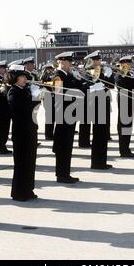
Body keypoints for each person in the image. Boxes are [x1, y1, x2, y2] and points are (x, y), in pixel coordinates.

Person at [7, 65, 40, 201]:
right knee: (21, 163)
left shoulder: (25, 90)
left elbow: (35, 109)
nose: (25, 79)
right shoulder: (13, 92)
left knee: (30, 162)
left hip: (31, 129)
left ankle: (28, 189)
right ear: (15, 78)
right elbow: (22, 110)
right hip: (20, 132)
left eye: (25, 76)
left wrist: (36, 97)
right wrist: (33, 98)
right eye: (22, 76)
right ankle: (19, 192)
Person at [52, 51, 84, 183]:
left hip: (69, 113)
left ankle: (65, 173)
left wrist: (79, 79)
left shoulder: (68, 75)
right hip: (63, 114)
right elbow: (59, 94)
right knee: (63, 145)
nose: (71, 65)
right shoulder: (58, 76)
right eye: (69, 62)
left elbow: (78, 87)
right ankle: (61, 174)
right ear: (62, 62)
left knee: (67, 145)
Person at [85, 51, 114, 170]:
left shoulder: (101, 70)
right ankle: (96, 162)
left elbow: (111, 85)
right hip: (95, 105)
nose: (99, 62)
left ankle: (102, 161)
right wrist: (96, 86)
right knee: (98, 135)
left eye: (99, 60)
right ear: (91, 61)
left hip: (104, 104)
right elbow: (86, 86)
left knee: (103, 135)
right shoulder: (87, 71)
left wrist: (109, 75)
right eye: (97, 60)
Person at [116, 56, 134, 158]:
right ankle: (123, 150)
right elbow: (122, 85)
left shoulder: (130, 73)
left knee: (128, 127)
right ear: (123, 63)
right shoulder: (120, 74)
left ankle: (126, 149)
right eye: (128, 63)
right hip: (124, 101)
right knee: (124, 127)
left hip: (130, 101)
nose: (130, 65)